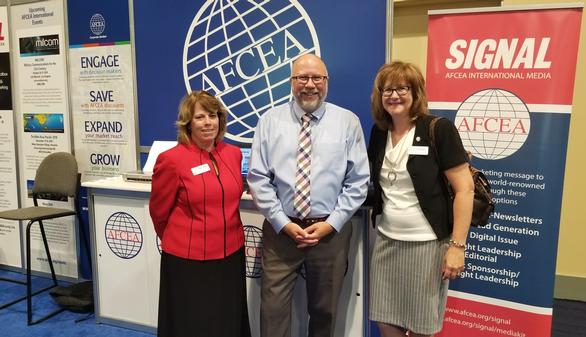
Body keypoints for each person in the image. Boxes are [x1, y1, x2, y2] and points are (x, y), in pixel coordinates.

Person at [247, 54, 370, 337]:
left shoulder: (347, 122)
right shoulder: (269, 121)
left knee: (325, 311)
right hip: (281, 232)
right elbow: (258, 178)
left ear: (327, 82)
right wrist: (282, 222)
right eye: (302, 78)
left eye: (317, 78)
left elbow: (358, 181)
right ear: (291, 81)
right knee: (272, 310)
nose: (310, 85)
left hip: (330, 233)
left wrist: (332, 223)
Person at [367, 61, 474, 337]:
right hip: (387, 241)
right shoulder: (379, 133)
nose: (394, 95)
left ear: (416, 93)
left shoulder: (438, 129)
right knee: (385, 319)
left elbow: (465, 190)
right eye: (387, 89)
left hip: (427, 245)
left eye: (402, 88)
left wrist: (457, 247)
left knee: (422, 326)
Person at [149, 91, 251, 337]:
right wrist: (180, 239)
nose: (208, 123)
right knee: (194, 323)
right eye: (200, 117)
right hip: (188, 260)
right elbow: (159, 212)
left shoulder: (233, 154)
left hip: (230, 254)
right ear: (187, 123)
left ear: (220, 119)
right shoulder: (171, 160)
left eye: (213, 115)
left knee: (226, 319)